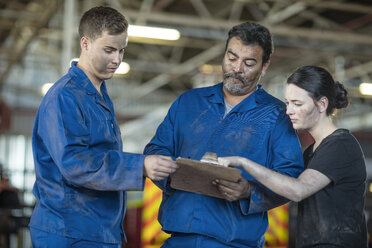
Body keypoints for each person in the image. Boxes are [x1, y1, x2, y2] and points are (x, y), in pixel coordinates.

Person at [144, 22, 304, 248]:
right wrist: (172, 173)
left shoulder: (277, 116)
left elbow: (291, 177)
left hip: (235, 242)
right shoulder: (188, 102)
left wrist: (249, 191)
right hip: (178, 239)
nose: (237, 68)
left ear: (264, 66)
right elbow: (155, 150)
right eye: (232, 57)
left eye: (249, 63)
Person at [30, 6, 178, 248]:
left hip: (97, 229)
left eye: (121, 50)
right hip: (69, 230)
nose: (117, 59)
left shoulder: (99, 96)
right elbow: (75, 164)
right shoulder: (65, 97)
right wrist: (140, 165)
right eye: (108, 50)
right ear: (85, 44)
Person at [219, 65, 368, 247]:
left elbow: (297, 190)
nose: (289, 110)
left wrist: (243, 162)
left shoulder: (341, 145)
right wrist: (247, 190)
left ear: (322, 104)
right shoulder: (312, 151)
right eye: (288, 102)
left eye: (297, 104)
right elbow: (286, 189)